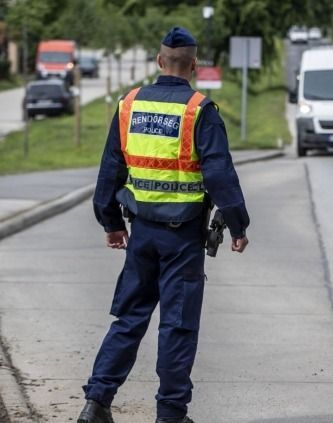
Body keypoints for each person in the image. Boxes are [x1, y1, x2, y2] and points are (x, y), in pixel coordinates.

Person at [78, 27, 250, 423]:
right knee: (177, 324)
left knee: (130, 317)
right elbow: (220, 174)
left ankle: (96, 403)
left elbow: (111, 169)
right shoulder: (199, 110)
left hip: (141, 234)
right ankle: (170, 414)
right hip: (184, 239)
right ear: (193, 64)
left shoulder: (129, 105)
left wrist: (110, 222)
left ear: (159, 62)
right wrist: (239, 226)